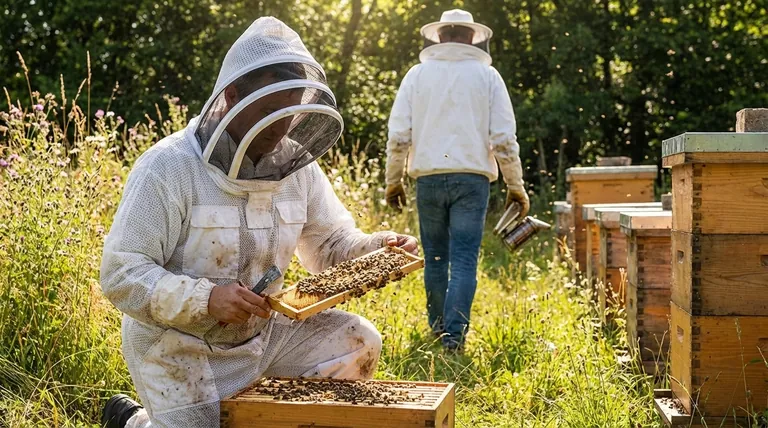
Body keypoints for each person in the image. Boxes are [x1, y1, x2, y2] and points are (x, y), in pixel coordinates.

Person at [99, 17, 418, 428]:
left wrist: (377, 249)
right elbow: (121, 272)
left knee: (357, 341)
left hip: (264, 336)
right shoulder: (169, 167)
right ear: (231, 96)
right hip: (177, 346)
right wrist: (206, 300)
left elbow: (331, 245)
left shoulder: (296, 168)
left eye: (291, 111)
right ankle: (133, 422)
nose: (281, 126)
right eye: (270, 111)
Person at [384, 9, 528, 351]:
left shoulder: (417, 76)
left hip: (429, 181)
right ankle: (454, 338)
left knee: (435, 257)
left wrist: (394, 180)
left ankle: (437, 328)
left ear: (440, 37)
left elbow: (398, 135)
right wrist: (515, 184)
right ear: (471, 38)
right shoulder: (487, 76)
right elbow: (504, 139)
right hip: (471, 182)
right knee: (464, 258)